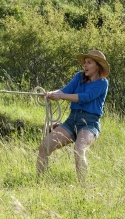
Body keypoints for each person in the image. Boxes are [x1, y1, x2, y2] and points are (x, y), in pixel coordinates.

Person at [36, 50, 109, 185]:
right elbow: (64, 90)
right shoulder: (78, 77)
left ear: (97, 66)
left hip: (90, 123)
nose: (85, 65)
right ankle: (39, 184)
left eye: (89, 63)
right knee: (44, 146)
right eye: (85, 62)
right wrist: (51, 94)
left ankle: (83, 188)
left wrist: (61, 96)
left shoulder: (103, 83)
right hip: (71, 121)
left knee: (79, 149)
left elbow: (86, 97)